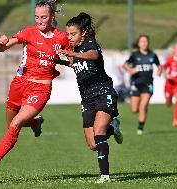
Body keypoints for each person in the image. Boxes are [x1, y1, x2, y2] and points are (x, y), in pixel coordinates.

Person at [0, 0, 70, 175]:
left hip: (40, 89)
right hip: (19, 84)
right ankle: (35, 121)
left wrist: (72, 58)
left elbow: (73, 59)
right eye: (37, 17)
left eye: (44, 17)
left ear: (52, 17)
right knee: (11, 124)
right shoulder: (29, 32)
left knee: (16, 123)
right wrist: (1, 43)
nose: (39, 21)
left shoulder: (61, 37)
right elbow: (1, 49)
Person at [57, 12, 123, 183]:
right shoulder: (75, 50)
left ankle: (105, 176)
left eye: (73, 34)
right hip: (87, 99)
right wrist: (58, 61)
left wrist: (71, 54)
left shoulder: (90, 44)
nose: (69, 38)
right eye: (68, 34)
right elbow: (74, 64)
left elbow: (93, 56)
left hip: (103, 93)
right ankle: (113, 127)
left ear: (83, 32)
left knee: (99, 132)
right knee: (94, 144)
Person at [122, 35, 161, 135]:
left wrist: (160, 71)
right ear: (139, 43)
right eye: (142, 41)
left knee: (142, 107)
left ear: (148, 43)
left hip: (148, 84)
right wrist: (130, 70)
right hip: (136, 84)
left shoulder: (153, 55)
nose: (144, 43)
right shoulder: (134, 55)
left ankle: (140, 129)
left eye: (145, 41)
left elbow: (159, 66)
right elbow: (125, 65)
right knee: (134, 109)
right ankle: (142, 111)